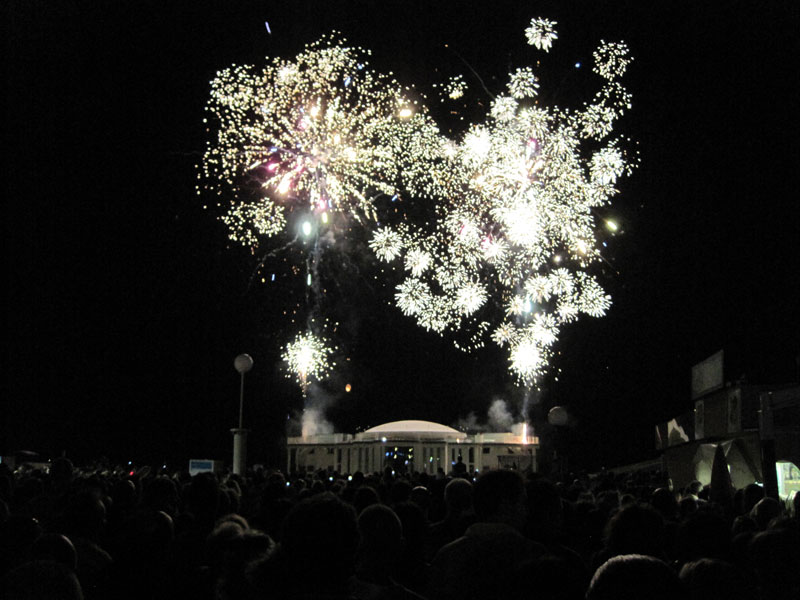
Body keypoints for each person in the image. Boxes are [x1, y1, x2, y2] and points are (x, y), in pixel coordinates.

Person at [429, 470, 544, 600]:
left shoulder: (446, 555)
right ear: (505, 505)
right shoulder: (532, 554)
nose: (526, 511)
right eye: (522, 503)